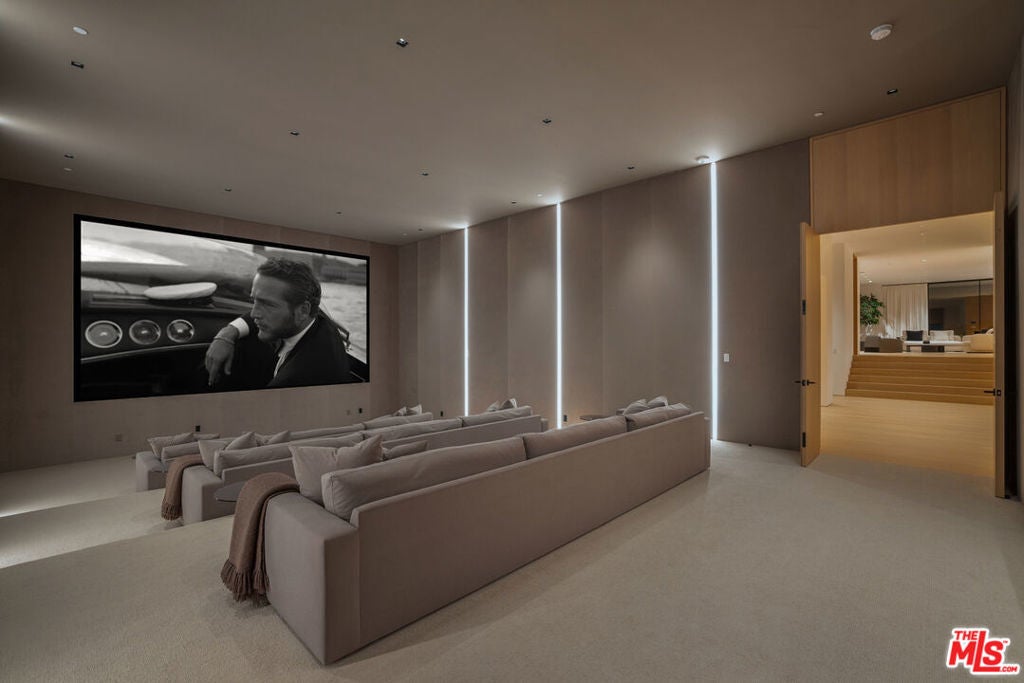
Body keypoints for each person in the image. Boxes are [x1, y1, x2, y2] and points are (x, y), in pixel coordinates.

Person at [205, 257, 350, 389]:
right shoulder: (313, 318)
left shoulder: (296, 380)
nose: (254, 313)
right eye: (254, 300)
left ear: (303, 310)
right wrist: (228, 333)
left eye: (267, 304)